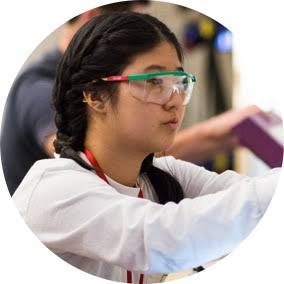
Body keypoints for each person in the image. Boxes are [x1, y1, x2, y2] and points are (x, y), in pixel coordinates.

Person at [12, 12, 280, 283]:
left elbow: (257, 206)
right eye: (154, 82)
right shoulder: (53, 188)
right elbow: (166, 239)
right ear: (94, 95)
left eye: (180, 83)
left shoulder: (162, 175)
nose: (174, 100)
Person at [0, 1, 150, 196]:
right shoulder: (38, 87)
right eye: (130, 33)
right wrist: (201, 137)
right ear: (91, 17)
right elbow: (87, 162)